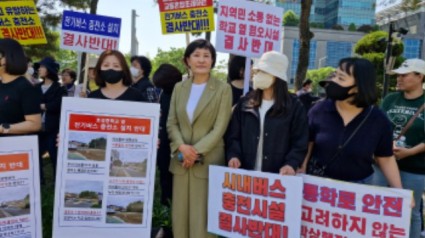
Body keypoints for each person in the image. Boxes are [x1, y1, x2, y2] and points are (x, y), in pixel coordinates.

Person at [300, 58, 402, 188]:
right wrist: (302, 167)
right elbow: (309, 142)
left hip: (358, 189)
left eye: (341, 78)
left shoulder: (378, 120)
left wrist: (400, 192)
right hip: (319, 184)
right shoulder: (319, 110)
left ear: (358, 87)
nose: (333, 81)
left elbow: (385, 158)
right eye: (335, 75)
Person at [167, 39, 232, 238]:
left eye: (206, 56)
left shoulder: (223, 89)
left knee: (202, 221)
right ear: (187, 60)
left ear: (213, 60)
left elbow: (220, 127)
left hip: (207, 162)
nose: (201, 60)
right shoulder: (179, 88)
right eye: (196, 55)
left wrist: (194, 152)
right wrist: (181, 148)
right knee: (180, 218)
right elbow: (171, 122)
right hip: (181, 162)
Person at [226, 51, 308, 174]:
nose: (257, 75)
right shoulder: (245, 102)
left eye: (263, 72)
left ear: (277, 76)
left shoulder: (294, 106)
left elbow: (300, 141)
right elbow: (233, 136)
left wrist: (291, 163)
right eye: (257, 71)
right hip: (244, 175)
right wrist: (234, 155)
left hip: (277, 177)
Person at [373, 58, 425, 238]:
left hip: (414, 168)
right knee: (378, 207)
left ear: (420, 77)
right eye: (398, 75)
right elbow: (377, 125)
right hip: (382, 164)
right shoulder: (390, 99)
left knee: (411, 212)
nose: (399, 79)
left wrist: (410, 152)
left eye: (404, 75)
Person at [152, 63, 182, 207]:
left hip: (177, 143)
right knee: (165, 179)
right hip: (164, 142)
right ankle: (165, 212)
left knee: (173, 181)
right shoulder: (164, 93)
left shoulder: (181, 93)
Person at [35, 57, 67, 183]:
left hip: (53, 127)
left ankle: (57, 182)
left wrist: (44, 106)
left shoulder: (60, 88)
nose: (39, 69)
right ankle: (39, 181)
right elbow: (32, 103)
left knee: (54, 155)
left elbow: (59, 104)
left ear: (49, 70)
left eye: (42, 67)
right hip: (37, 126)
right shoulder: (36, 87)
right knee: (36, 154)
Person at [0, 38, 42, 136]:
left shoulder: (26, 87)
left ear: (7, 58)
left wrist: (3, 128)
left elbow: (35, 124)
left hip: (14, 147)